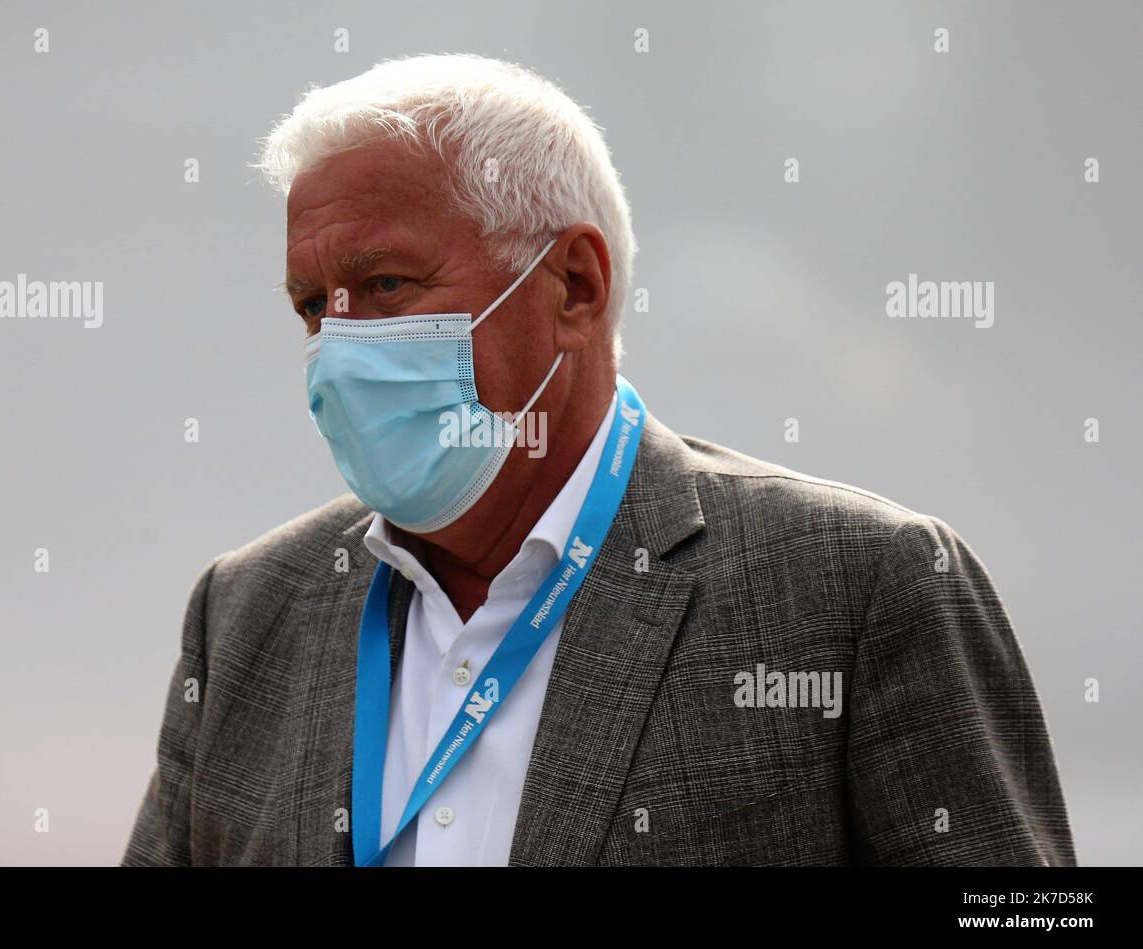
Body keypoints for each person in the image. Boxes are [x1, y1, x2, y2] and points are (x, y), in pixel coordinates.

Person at [122, 54, 1075, 866]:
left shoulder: (855, 587)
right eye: (310, 305)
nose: (338, 344)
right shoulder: (249, 612)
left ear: (575, 284)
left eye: (383, 286)